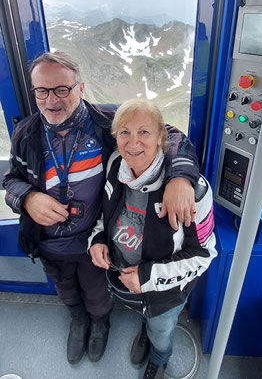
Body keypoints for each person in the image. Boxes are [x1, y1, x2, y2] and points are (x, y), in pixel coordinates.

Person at [3, 52, 200, 366]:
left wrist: (181, 177)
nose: (51, 100)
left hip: (94, 239)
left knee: (97, 292)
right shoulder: (25, 134)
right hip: (48, 243)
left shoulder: (106, 122)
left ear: (81, 88)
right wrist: (27, 198)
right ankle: (78, 321)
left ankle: (99, 323)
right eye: (42, 91)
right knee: (65, 289)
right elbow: (11, 178)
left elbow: (169, 133)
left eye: (61, 89)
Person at [89, 99, 217, 379]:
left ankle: (160, 357)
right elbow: (105, 213)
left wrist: (147, 277)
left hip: (164, 295)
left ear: (162, 137)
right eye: (125, 132)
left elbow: (204, 256)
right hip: (126, 282)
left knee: (161, 331)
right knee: (147, 320)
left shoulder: (192, 192)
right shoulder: (115, 164)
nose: (133, 143)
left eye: (144, 132)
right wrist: (97, 238)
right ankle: (145, 328)